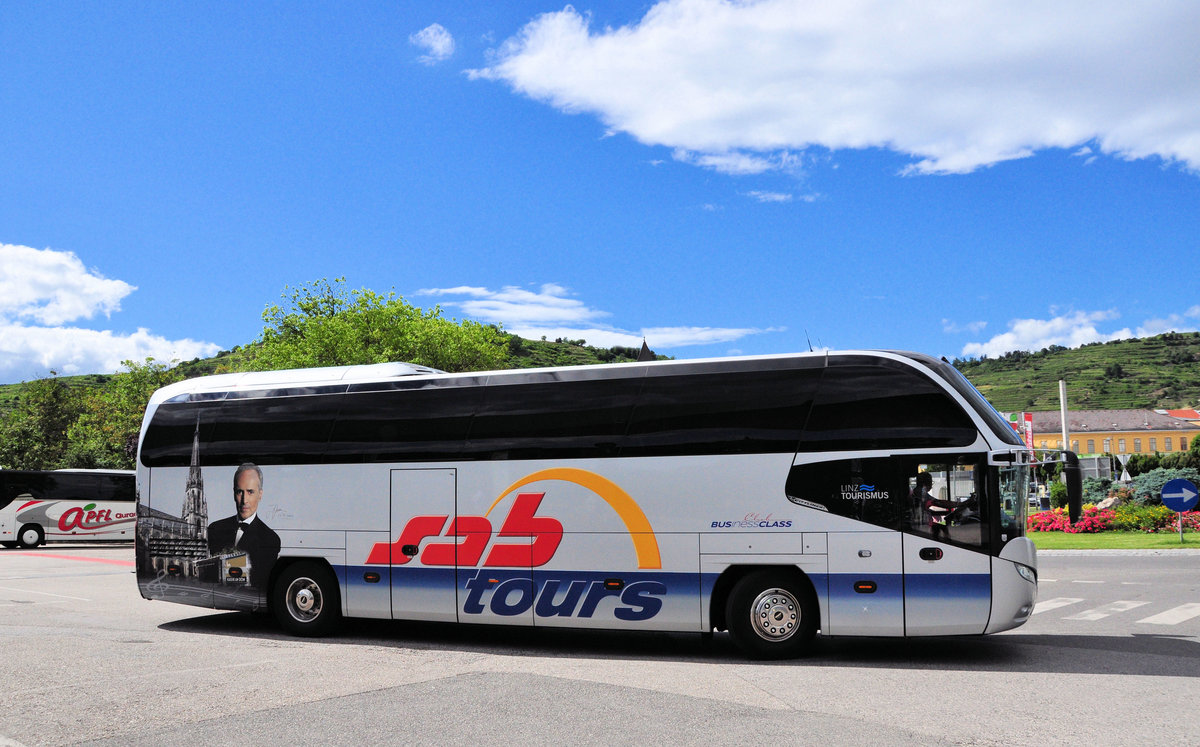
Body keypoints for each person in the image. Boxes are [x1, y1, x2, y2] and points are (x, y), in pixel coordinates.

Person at [208, 463, 280, 588]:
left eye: (250, 492)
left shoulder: (271, 538)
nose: (244, 500)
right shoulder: (215, 528)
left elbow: (260, 581)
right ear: (233, 494)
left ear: (260, 494)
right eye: (240, 492)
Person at [912, 471, 955, 541]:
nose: (931, 485)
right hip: (921, 527)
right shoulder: (921, 492)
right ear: (925, 483)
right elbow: (937, 502)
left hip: (922, 524)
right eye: (931, 482)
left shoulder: (917, 491)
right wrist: (958, 504)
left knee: (941, 526)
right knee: (941, 527)